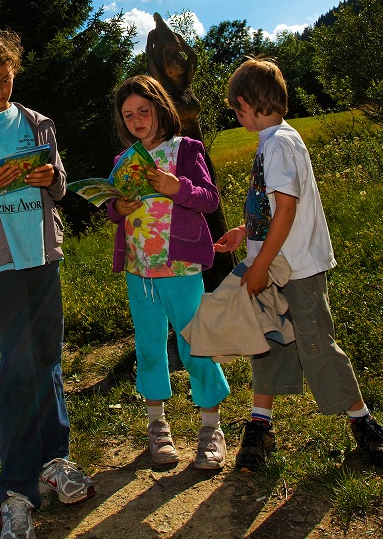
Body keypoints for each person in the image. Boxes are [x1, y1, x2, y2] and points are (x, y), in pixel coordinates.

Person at [0, 31, 95, 539]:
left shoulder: (37, 122)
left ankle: (56, 461)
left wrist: (50, 176)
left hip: (42, 252)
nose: (1, 88)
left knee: (48, 356)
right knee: (17, 366)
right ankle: (17, 490)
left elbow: (62, 183)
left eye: (7, 77)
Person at [214, 59, 383, 471]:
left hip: (294, 268)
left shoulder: (280, 143)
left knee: (317, 344)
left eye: (235, 110)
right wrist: (244, 233)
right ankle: (260, 425)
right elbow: (272, 211)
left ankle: (363, 422)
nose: (237, 116)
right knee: (266, 341)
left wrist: (259, 265)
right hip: (273, 261)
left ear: (244, 104)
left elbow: (287, 209)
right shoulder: (274, 141)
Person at [106, 75, 230, 470]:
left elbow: (209, 200)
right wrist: (117, 209)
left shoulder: (186, 149)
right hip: (138, 271)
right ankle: (157, 427)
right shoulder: (123, 162)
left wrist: (176, 187)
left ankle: (211, 427)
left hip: (180, 267)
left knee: (196, 344)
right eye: (129, 115)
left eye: (144, 110)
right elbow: (113, 208)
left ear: (161, 108)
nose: (137, 120)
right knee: (149, 346)